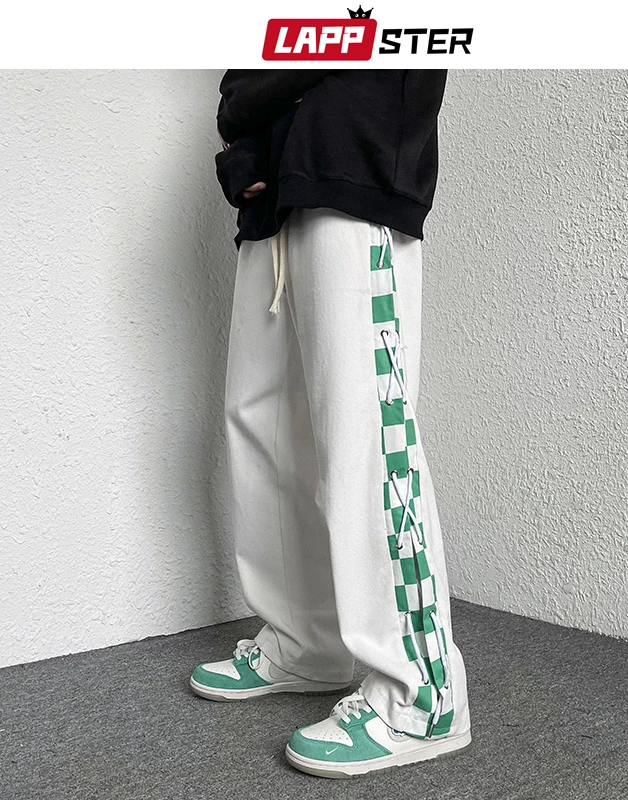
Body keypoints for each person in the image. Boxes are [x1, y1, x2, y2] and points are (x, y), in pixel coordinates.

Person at [191, 68, 471, 779]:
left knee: (366, 438)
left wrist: (247, 103)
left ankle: (422, 694)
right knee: (265, 427)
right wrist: (246, 152)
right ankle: (306, 640)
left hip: (352, 161)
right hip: (278, 195)